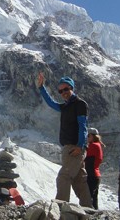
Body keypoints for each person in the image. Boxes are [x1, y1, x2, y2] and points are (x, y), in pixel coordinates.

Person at [37, 72, 92, 207]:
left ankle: (59, 207)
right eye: (61, 91)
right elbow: (51, 103)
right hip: (71, 147)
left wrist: (79, 146)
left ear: (72, 88)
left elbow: (82, 126)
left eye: (66, 89)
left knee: (64, 177)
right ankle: (88, 209)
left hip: (74, 147)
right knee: (79, 180)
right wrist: (41, 87)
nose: (63, 93)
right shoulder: (65, 106)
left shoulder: (80, 104)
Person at [85, 127, 105, 210]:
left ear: (92, 136)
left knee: (89, 198)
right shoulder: (98, 145)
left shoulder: (93, 145)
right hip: (95, 175)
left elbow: (85, 154)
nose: (87, 137)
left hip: (91, 175)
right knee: (94, 198)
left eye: (88, 136)